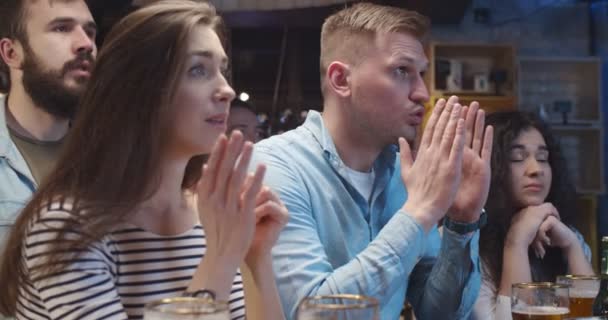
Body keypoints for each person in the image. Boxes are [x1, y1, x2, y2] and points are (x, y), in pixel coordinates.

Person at [0, 1, 287, 319]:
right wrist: (221, 255)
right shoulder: (67, 226)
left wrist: (255, 258)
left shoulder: (211, 213)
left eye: (223, 69)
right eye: (198, 70)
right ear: (137, 91)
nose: (227, 90)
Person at [250, 2, 494, 319]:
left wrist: (462, 222)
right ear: (341, 80)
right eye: (401, 71)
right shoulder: (275, 166)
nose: (422, 92)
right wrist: (419, 212)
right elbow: (314, 313)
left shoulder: (400, 174)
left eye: (421, 74)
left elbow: (440, 313)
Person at [473, 111, 593, 319]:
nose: (536, 169)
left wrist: (572, 246)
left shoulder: (565, 235)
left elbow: (591, 316)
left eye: (543, 158)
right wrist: (516, 241)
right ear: (490, 166)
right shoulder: (465, 243)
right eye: (517, 158)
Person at [0, 0, 97, 254]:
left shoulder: (114, 151)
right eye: (62, 28)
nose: (85, 43)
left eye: (90, 31)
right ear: (12, 53)